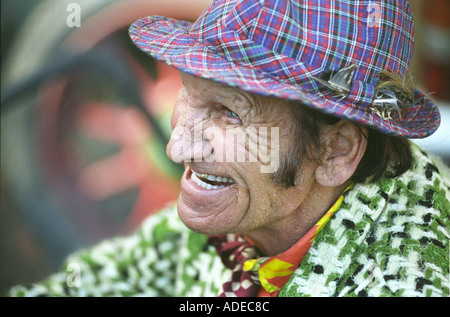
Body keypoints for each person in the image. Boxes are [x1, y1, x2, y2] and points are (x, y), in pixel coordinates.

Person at [9, 0, 449, 297]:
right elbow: (106, 278)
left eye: (227, 112)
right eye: (188, 93)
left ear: (336, 151)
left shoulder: (408, 276)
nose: (177, 147)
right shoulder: (249, 218)